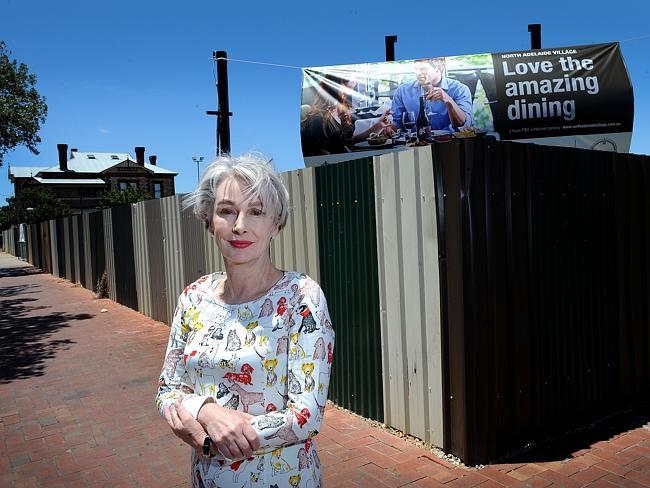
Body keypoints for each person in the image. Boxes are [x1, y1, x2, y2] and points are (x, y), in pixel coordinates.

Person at [155, 154, 335, 487]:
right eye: (226, 211)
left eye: (255, 212)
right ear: (209, 221)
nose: (239, 225)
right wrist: (207, 412)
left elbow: (307, 415)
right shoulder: (192, 298)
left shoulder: (301, 298)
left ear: (276, 224)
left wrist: (219, 437)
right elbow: (168, 391)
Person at [301, 74, 393, 156]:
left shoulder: (341, 111)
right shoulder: (317, 119)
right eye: (347, 87)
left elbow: (351, 140)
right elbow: (319, 153)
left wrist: (378, 126)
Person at [391, 58, 474, 132]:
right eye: (416, 69)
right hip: (415, 144)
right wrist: (388, 128)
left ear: (438, 68)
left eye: (423, 69)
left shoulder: (459, 89)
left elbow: (464, 124)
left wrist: (448, 100)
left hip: (450, 143)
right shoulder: (403, 91)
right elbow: (396, 124)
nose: (418, 73)